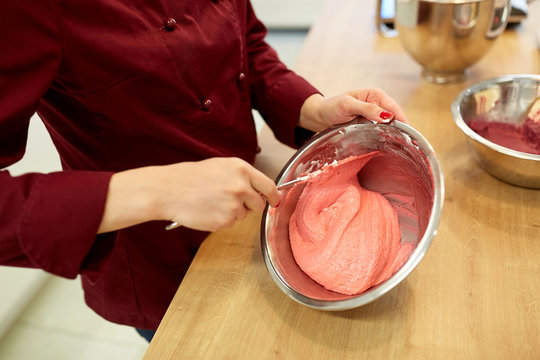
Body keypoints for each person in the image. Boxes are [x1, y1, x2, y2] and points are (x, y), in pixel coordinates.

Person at [0, 0, 408, 343]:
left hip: (250, 223)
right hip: (155, 261)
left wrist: (312, 108)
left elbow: (247, 46)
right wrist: (155, 191)